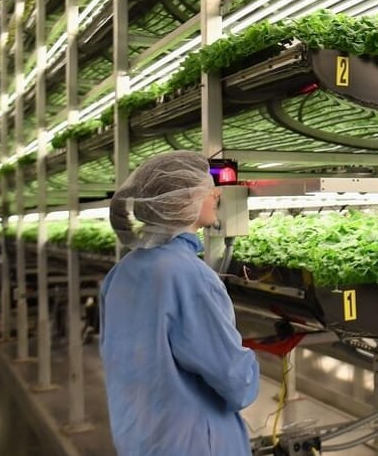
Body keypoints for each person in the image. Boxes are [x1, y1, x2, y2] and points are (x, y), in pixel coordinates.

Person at [99, 150, 259, 456]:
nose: (215, 194)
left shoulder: (122, 271)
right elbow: (236, 380)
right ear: (183, 201)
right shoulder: (189, 275)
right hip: (192, 442)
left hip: (140, 436)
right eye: (205, 188)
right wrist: (250, 365)